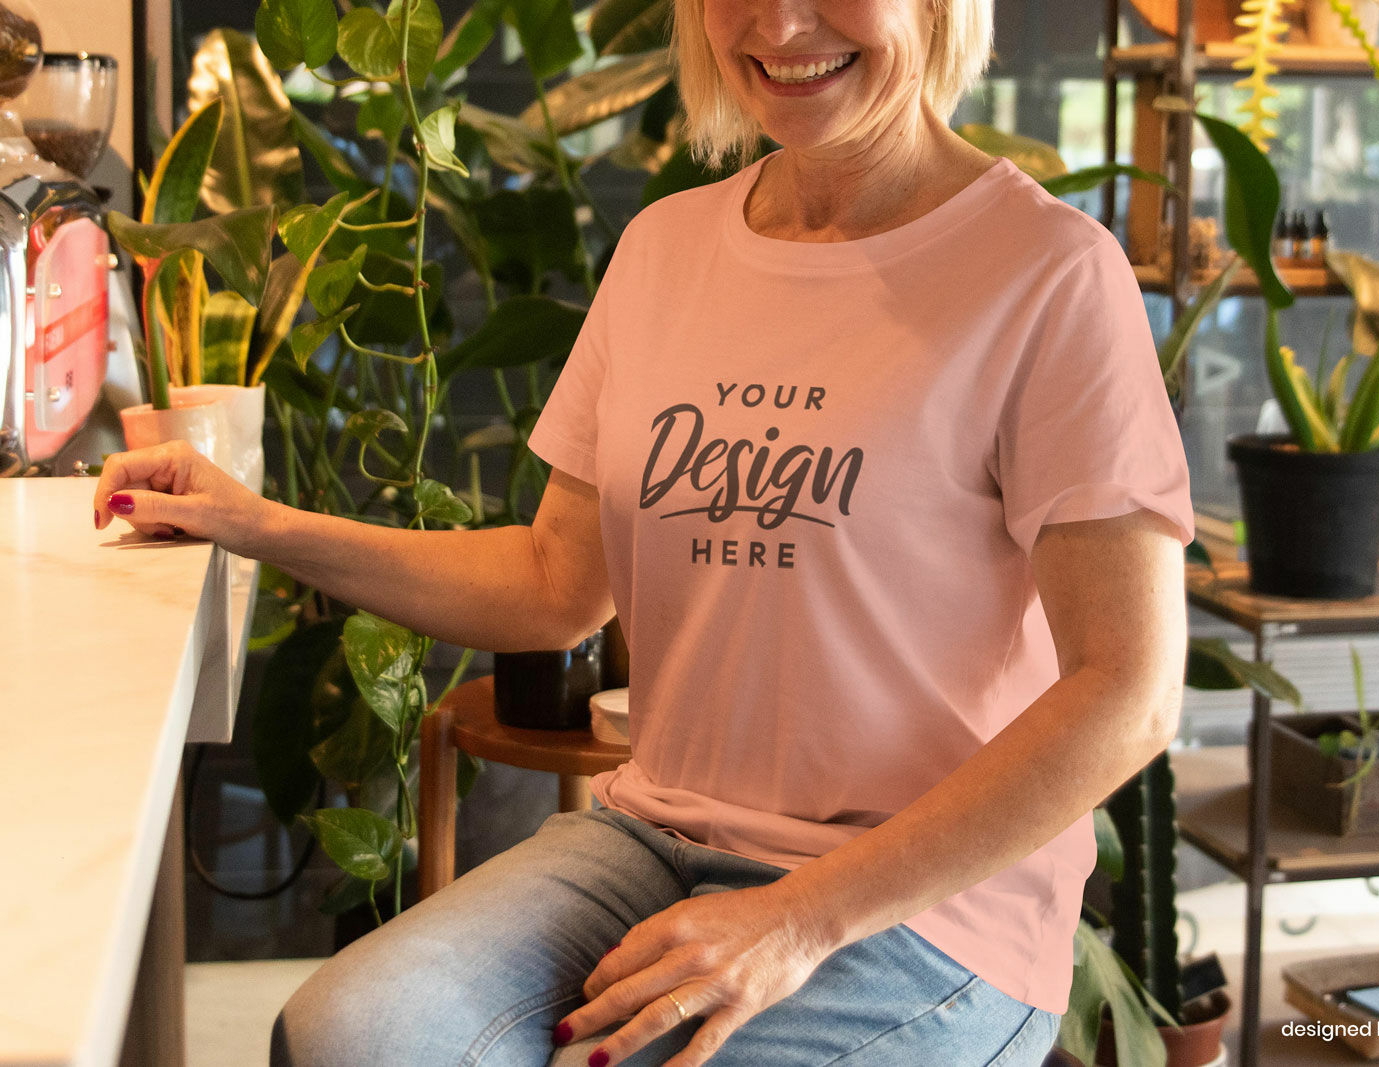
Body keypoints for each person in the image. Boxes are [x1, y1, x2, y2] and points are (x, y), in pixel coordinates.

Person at [92, 0, 1194, 1059]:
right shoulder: (666, 249)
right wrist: (254, 521)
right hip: (650, 840)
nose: (778, 25)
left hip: (921, 907)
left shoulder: (1048, 273)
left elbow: (1128, 690)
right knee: (351, 1033)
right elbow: (552, 580)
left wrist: (799, 916)